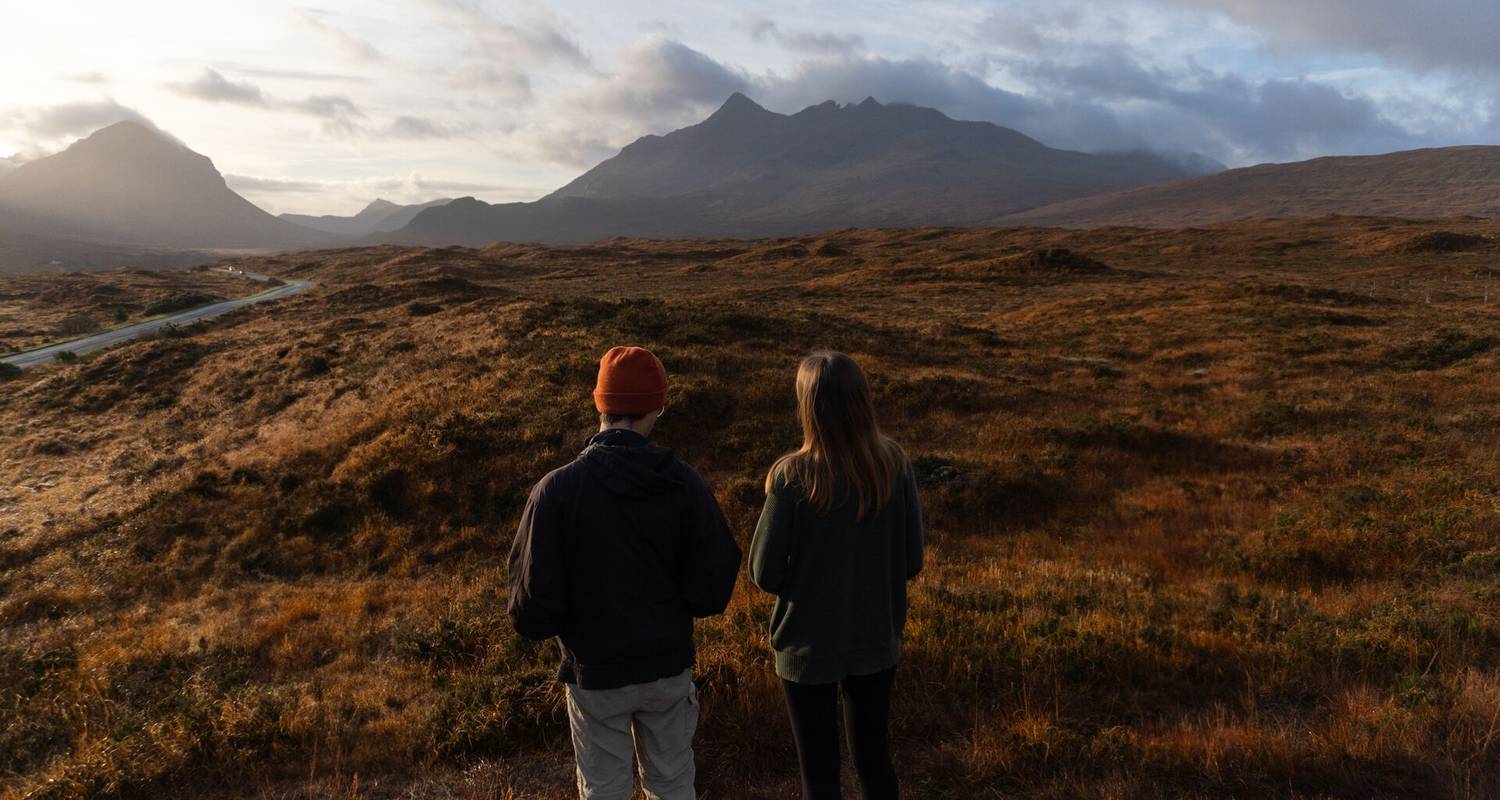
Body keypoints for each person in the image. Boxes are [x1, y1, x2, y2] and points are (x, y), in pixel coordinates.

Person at [508, 345, 742, 800]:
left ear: (600, 403)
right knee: (673, 783)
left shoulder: (556, 490)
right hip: (667, 667)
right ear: (660, 404)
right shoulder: (685, 483)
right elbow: (712, 585)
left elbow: (531, 605)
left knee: (603, 790)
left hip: (595, 673)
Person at [749, 351, 925, 800]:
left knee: (819, 774)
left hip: (807, 648)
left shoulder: (791, 476)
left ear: (808, 407)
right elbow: (912, 561)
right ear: (862, 400)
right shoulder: (895, 467)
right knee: (873, 759)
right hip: (875, 641)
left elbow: (763, 573)